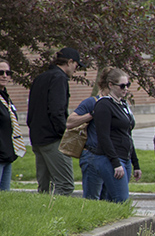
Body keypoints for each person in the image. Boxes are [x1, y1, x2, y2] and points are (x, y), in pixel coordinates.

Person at [26, 47, 83, 195]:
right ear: (70, 62)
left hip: (37, 139)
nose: (75, 70)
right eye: (76, 66)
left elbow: (31, 111)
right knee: (65, 185)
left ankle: (43, 216)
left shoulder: (40, 78)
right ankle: (59, 217)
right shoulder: (59, 78)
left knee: (45, 187)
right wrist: (64, 135)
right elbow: (57, 111)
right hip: (52, 139)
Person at [83, 69, 142, 203]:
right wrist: (115, 163)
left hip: (124, 157)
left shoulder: (123, 105)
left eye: (128, 85)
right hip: (109, 158)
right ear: (110, 85)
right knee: (121, 199)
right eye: (122, 86)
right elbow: (103, 136)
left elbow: (128, 135)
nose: (125, 88)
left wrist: (135, 163)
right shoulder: (104, 105)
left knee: (112, 200)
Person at [65, 67, 112, 200]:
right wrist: (92, 114)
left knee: (109, 200)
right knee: (92, 200)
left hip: (110, 157)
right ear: (108, 85)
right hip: (92, 156)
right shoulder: (92, 102)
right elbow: (70, 122)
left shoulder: (118, 104)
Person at [0, 60, 24, 190]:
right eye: (1, 72)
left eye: (8, 73)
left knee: (5, 197)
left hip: (7, 156)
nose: (4, 76)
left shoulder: (6, 97)